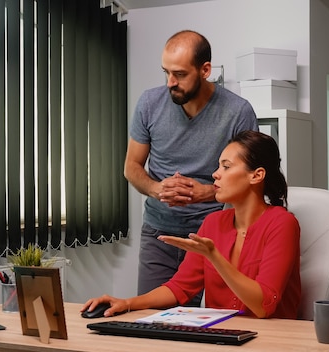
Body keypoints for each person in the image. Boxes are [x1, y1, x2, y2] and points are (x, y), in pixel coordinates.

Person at [83, 130, 301, 319]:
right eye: (218, 166)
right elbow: (180, 287)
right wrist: (128, 303)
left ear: (257, 175)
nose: (215, 174)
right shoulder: (213, 223)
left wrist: (214, 256)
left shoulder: (282, 224)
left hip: (272, 339)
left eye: (226, 167)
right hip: (223, 338)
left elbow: (264, 306)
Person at [124, 29, 259, 302]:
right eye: (166, 72)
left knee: (207, 324)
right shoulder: (149, 103)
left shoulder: (238, 112)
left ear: (205, 69)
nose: (170, 82)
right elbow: (132, 166)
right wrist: (157, 189)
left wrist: (206, 192)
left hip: (211, 237)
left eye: (180, 75)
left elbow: (248, 179)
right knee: (149, 321)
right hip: (157, 234)